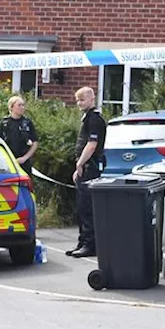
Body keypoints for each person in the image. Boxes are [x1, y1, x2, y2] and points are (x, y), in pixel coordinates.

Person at [67, 87, 106, 258]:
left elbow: (91, 145)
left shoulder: (94, 120)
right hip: (85, 167)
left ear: (91, 99)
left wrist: (80, 164)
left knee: (87, 207)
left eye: (82, 100)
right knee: (81, 207)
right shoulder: (87, 118)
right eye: (77, 100)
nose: (79, 103)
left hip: (90, 166)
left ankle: (89, 245)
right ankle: (83, 241)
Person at [0, 96, 38, 175]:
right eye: (19, 105)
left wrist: (24, 158)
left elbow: (35, 143)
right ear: (11, 107)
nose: (22, 107)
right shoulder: (4, 123)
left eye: (23, 105)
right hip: (7, 163)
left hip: (24, 162)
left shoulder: (27, 123)